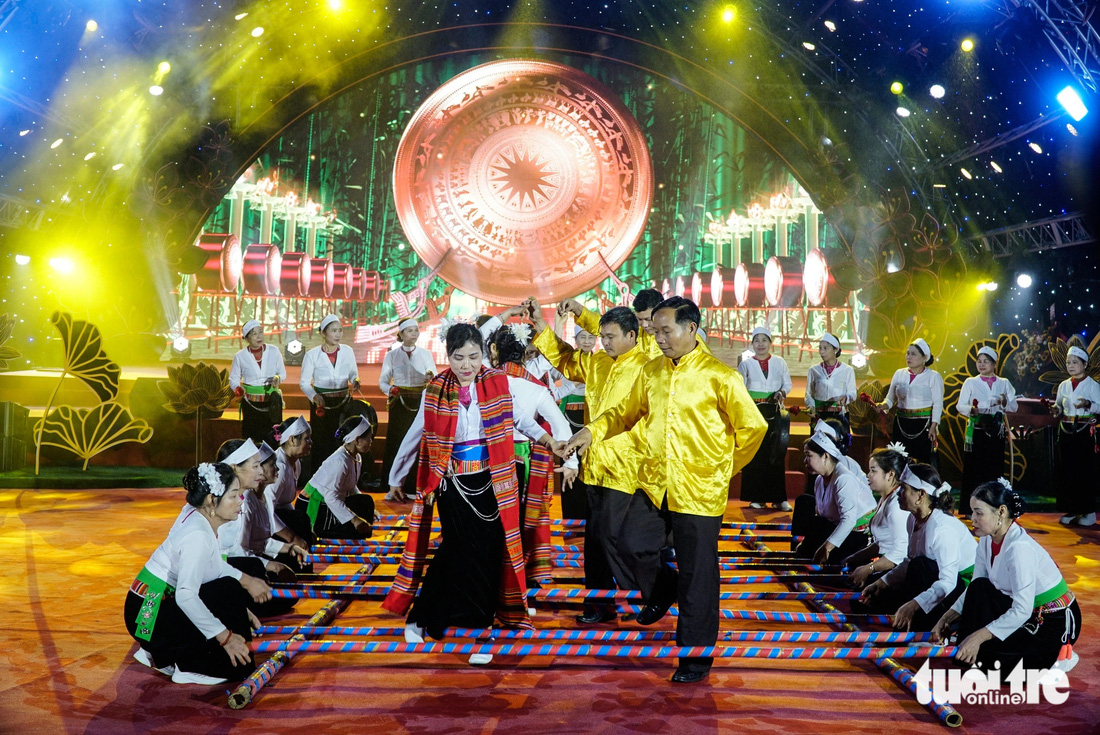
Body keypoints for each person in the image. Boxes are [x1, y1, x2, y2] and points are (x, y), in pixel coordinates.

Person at [562, 296, 766, 683]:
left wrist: (723, 469)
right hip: (655, 483)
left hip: (699, 492)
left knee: (698, 575)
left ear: (691, 329)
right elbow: (624, 413)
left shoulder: (720, 376)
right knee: (628, 540)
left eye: (665, 331)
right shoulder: (651, 371)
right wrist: (590, 431)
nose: (658, 339)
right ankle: (663, 586)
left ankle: (694, 658)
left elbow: (753, 428)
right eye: (655, 331)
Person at [383, 324, 568, 665]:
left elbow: (519, 419)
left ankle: (478, 627)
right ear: (448, 356)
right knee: (454, 551)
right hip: (451, 484)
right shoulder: (435, 390)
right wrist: (397, 476)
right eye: (459, 358)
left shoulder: (496, 382)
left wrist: (548, 441)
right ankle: (424, 617)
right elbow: (416, 433)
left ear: (483, 354)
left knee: (489, 553)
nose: (466, 365)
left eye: (473, 356)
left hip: (494, 481)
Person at [533, 300, 650, 625]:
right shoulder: (597, 362)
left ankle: (642, 597)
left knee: (615, 539)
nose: (605, 342)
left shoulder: (649, 366)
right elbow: (565, 358)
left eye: (611, 336)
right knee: (595, 541)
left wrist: (581, 311)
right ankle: (600, 604)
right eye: (603, 336)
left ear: (631, 335)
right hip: (594, 465)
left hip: (628, 466)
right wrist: (540, 324)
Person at [125, 463, 272, 685]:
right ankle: (188, 665)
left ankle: (167, 653)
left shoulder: (201, 520)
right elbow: (185, 595)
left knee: (230, 589)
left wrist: (244, 591)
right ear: (212, 500)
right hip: (149, 614)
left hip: (153, 605)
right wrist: (225, 637)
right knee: (237, 665)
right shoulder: (198, 534)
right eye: (233, 496)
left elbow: (215, 568)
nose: (240, 501)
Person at [933, 478, 1082, 673]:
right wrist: (947, 617)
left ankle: (1056, 657)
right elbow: (976, 587)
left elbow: (1022, 610)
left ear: (1001, 512)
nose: (972, 519)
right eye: (972, 512)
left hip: (1052, 621)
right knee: (979, 589)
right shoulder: (986, 540)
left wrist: (978, 637)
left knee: (989, 664)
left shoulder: (1019, 548)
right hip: (1026, 613)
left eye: (979, 513)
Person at [484, 320, 578, 585]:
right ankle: (521, 578)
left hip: (487, 459)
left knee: (491, 518)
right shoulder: (536, 388)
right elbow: (560, 427)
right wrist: (571, 462)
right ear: (525, 353)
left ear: (495, 351)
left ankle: (489, 578)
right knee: (521, 517)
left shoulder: (485, 382)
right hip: (524, 460)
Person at [858, 462, 976, 632]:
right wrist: (881, 584)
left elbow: (948, 582)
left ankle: (926, 622)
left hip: (962, 589)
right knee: (874, 598)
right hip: (932, 580)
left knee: (919, 566)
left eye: (903, 489)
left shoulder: (942, 529)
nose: (898, 493)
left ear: (921, 495)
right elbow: (908, 562)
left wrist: (913, 605)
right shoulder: (912, 519)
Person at [793, 430, 875, 565]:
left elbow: (848, 521)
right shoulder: (819, 480)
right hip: (835, 526)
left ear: (825, 456)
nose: (805, 461)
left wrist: (826, 548)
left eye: (809, 455)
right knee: (808, 510)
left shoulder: (843, 479)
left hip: (857, 534)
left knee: (827, 554)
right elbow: (821, 516)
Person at [379, 318, 437, 502]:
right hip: (399, 403)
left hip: (420, 402)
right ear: (401, 334)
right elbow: (383, 382)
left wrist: (429, 376)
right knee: (396, 441)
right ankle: (392, 485)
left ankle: (414, 486)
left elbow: (434, 376)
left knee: (417, 444)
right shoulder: (392, 355)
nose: (414, 334)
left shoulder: (425, 354)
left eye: (416, 330)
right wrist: (391, 390)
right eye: (409, 331)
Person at [956, 346, 1018, 517]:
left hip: (996, 432)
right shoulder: (971, 382)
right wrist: (971, 409)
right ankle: (971, 509)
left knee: (994, 469)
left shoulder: (1004, 383)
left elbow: (1014, 406)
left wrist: (1004, 401)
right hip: (977, 431)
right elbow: (960, 405)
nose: (981, 364)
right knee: (974, 470)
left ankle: (993, 507)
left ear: (994, 364)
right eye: (979, 361)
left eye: (986, 361)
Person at [737, 326, 793, 510]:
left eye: (764, 340)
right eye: (756, 341)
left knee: (776, 453)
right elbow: (739, 387)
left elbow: (787, 383)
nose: (760, 344)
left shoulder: (779, 362)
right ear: (752, 344)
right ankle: (757, 498)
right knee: (756, 454)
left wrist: (781, 392)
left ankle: (779, 499)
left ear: (770, 343)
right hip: (754, 411)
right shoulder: (746, 364)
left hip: (774, 410)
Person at [295, 414, 377, 539]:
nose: (371, 441)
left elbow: (351, 487)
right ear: (357, 440)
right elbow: (331, 498)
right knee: (356, 529)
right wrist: (355, 520)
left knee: (366, 502)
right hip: (314, 506)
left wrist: (369, 511)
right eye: (369, 438)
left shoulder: (356, 457)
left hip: (328, 502)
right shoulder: (340, 462)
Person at [299, 314, 360, 481]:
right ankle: (319, 480)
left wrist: (355, 380)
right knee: (321, 442)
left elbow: (353, 373)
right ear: (323, 333)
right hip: (322, 404)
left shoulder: (347, 351)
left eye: (340, 330)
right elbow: (304, 383)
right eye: (333, 331)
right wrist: (314, 396)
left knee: (342, 441)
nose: (338, 334)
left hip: (343, 402)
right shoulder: (312, 355)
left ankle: (343, 479)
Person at [845, 444, 912, 589]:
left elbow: (900, 552)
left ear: (890, 475)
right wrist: (856, 557)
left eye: (873, 471)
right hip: (884, 562)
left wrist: (869, 568)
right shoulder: (886, 498)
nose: (868, 475)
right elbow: (883, 542)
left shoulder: (896, 506)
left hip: (898, 569)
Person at [1051, 345, 1100, 526]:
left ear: (1085, 364)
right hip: (1066, 430)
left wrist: (1088, 404)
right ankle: (1072, 509)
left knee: (1084, 470)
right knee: (1067, 470)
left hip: (1084, 431)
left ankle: (1088, 511)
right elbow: (1059, 406)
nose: (1071, 366)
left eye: (1075, 362)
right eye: (1068, 362)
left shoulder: (1093, 385)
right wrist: (1056, 409)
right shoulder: (1064, 385)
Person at [878, 338, 944, 463]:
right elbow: (890, 398)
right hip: (901, 423)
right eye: (907, 353)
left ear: (925, 357)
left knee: (921, 460)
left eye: (913, 354)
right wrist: (883, 405)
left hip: (923, 424)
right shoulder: (899, 373)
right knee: (900, 460)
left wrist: (934, 425)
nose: (908, 357)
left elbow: (938, 403)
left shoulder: (933, 376)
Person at [228, 320, 287, 443]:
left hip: (272, 402)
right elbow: (233, 379)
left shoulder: (274, 351)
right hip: (250, 403)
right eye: (254, 334)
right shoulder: (240, 356)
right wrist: (238, 389)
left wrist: (277, 378)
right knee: (252, 438)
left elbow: (282, 373)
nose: (259, 336)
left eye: (260, 332)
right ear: (247, 338)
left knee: (273, 438)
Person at [264, 417, 314, 545]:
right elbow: (266, 510)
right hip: (262, 520)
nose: (311, 442)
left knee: (301, 519)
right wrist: (292, 538)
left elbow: (284, 503)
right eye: (307, 438)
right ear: (292, 440)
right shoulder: (279, 468)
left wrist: (305, 530)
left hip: (274, 516)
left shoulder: (295, 463)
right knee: (300, 519)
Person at [805, 332, 857, 434]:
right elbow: (808, 394)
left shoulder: (847, 370)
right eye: (820, 348)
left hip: (839, 416)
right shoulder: (814, 370)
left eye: (825, 348)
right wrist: (811, 407)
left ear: (835, 349)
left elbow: (852, 393)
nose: (822, 352)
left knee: (839, 442)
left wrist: (845, 398)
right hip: (819, 416)